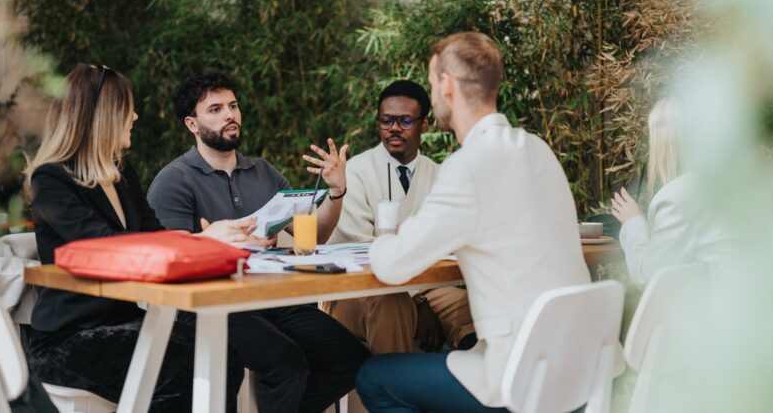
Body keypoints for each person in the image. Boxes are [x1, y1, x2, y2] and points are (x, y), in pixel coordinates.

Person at [356, 32, 590, 412]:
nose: (432, 96)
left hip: (518, 375)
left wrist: (385, 233)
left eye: (432, 85)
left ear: (446, 86)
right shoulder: (538, 149)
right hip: (577, 367)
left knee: (375, 378)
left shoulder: (467, 167)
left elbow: (391, 264)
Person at [24, 65, 249, 411]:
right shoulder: (50, 180)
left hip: (127, 323)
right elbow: (107, 246)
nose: (135, 116)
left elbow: (155, 235)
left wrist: (201, 241)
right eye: (127, 108)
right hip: (68, 338)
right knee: (186, 374)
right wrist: (204, 241)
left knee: (225, 360)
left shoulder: (122, 173)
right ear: (102, 116)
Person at [146, 69, 370, 413]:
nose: (230, 115)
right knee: (286, 363)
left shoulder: (264, 172)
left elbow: (315, 235)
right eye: (216, 109)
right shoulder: (173, 181)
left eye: (233, 106)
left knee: (350, 358)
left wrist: (337, 191)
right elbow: (169, 258)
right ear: (192, 124)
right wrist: (220, 243)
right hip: (210, 306)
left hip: (271, 297)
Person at [323, 80, 476, 355]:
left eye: (405, 121)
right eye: (386, 121)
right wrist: (415, 299)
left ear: (424, 125)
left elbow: (448, 244)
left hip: (425, 285)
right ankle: (393, 393)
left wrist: (419, 293)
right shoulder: (354, 173)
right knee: (394, 303)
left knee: (473, 307)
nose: (394, 128)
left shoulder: (439, 175)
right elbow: (364, 252)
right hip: (357, 290)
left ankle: (477, 387)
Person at [611, 97, 730, 285]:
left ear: (662, 144)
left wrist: (633, 221)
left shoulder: (676, 198)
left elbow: (645, 274)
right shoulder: (728, 183)